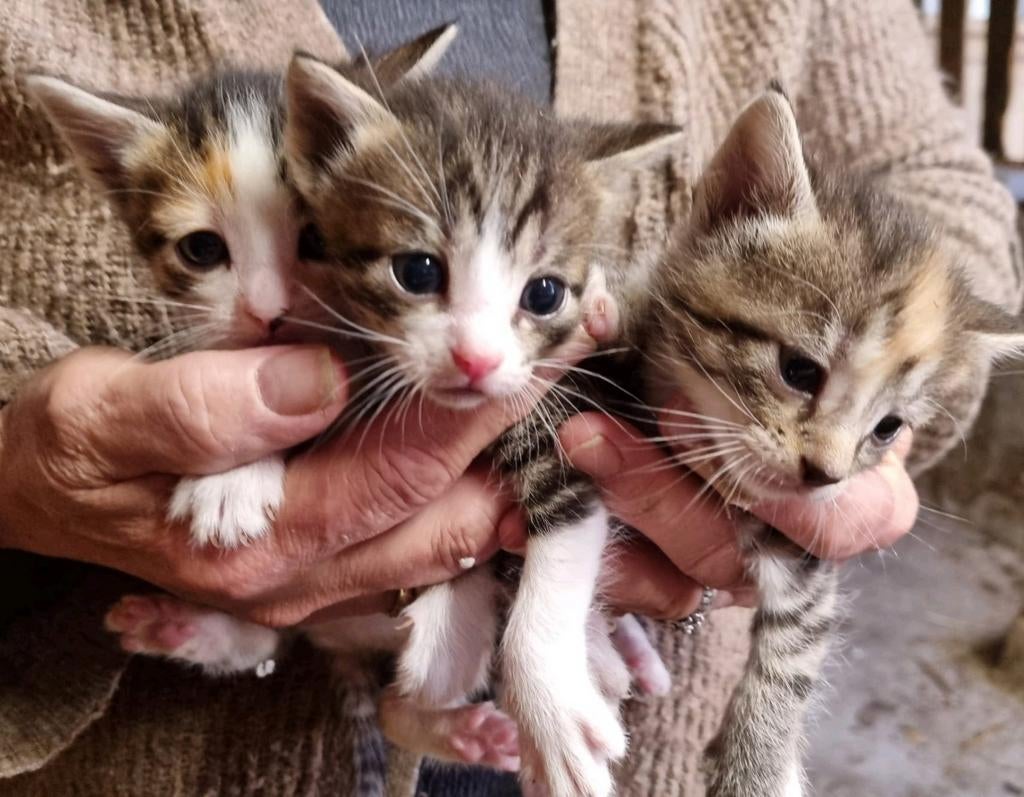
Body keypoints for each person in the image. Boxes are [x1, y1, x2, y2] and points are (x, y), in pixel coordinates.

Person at [0, 1, 1016, 794]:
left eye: (542, 295)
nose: (272, 299)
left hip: (634, 742)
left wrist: (902, 371)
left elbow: (926, 168)